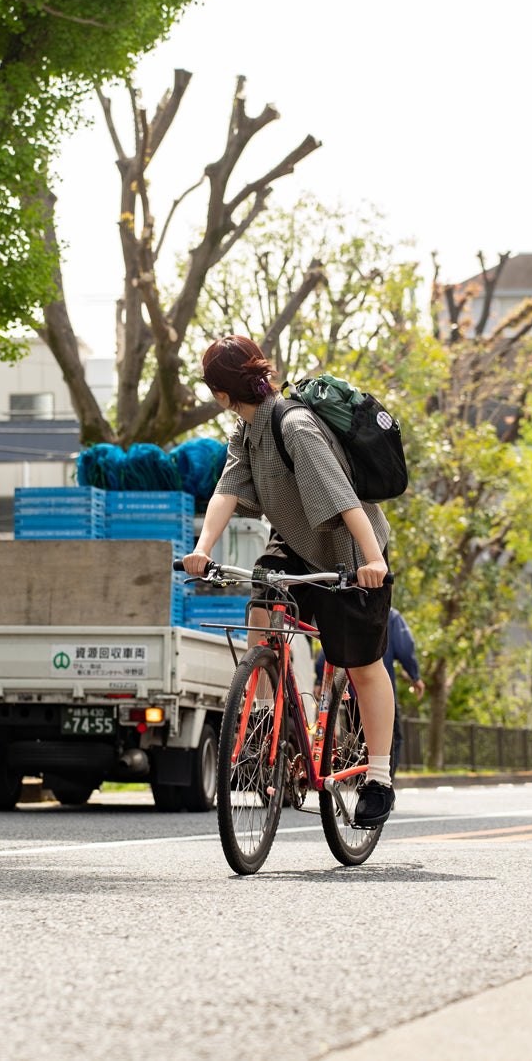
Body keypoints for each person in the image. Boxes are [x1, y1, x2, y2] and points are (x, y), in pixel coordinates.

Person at [182, 334, 396, 828]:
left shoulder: (294, 426)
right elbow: (225, 492)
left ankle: (379, 779)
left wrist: (372, 560)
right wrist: (202, 549)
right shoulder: (245, 432)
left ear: (221, 393)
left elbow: (343, 499)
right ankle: (268, 719)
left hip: (347, 545)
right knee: (262, 607)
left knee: (362, 664)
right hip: (296, 541)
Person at [313, 606, 424, 778]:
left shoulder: (346, 610)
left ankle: (360, 781)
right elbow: (405, 649)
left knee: (356, 739)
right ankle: (382, 781)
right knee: (391, 739)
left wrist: (320, 680)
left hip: (351, 690)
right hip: (381, 694)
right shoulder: (391, 616)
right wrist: (415, 676)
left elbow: (327, 649)